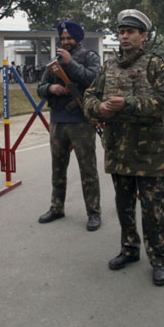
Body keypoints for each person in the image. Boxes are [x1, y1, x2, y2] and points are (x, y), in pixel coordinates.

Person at [83, 10, 164, 286]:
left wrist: (128, 104)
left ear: (143, 36)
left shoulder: (155, 65)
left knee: (152, 209)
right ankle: (129, 249)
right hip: (118, 150)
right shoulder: (109, 66)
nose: (124, 36)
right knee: (123, 205)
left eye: (130, 32)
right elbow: (89, 95)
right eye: (121, 32)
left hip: (149, 154)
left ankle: (159, 259)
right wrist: (98, 108)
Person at [37, 20, 102, 231]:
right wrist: (51, 88)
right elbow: (40, 87)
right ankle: (57, 207)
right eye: (63, 38)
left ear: (78, 39)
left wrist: (70, 63)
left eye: (69, 38)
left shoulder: (90, 57)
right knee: (58, 168)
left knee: (88, 169)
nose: (65, 41)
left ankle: (94, 212)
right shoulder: (54, 61)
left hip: (81, 122)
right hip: (58, 121)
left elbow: (94, 80)